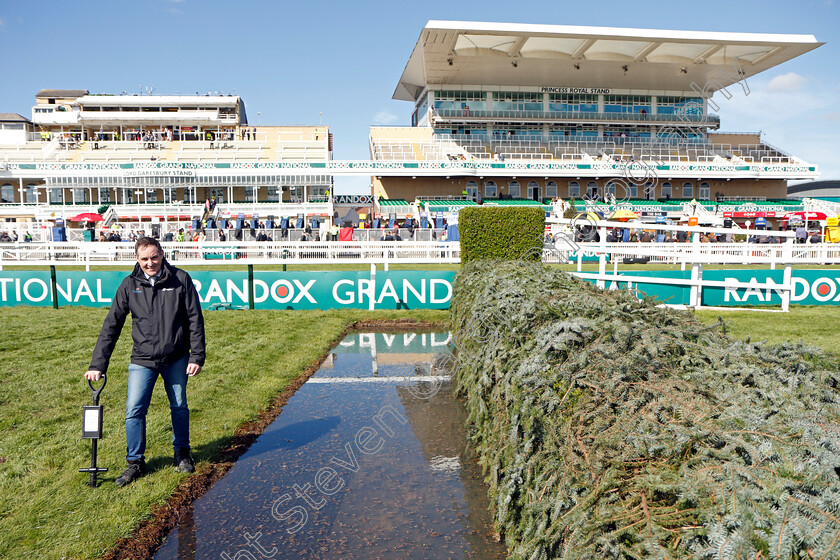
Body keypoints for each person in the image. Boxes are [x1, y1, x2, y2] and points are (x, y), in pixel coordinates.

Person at [85, 237, 205, 487]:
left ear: (162, 254)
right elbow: (112, 325)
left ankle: (182, 453)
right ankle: (135, 462)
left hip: (176, 358)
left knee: (179, 406)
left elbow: (195, 318)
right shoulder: (130, 284)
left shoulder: (180, 279)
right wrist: (98, 364)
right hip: (142, 359)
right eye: (144, 259)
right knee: (134, 411)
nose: (150, 263)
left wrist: (196, 355)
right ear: (137, 259)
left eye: (154, 257)